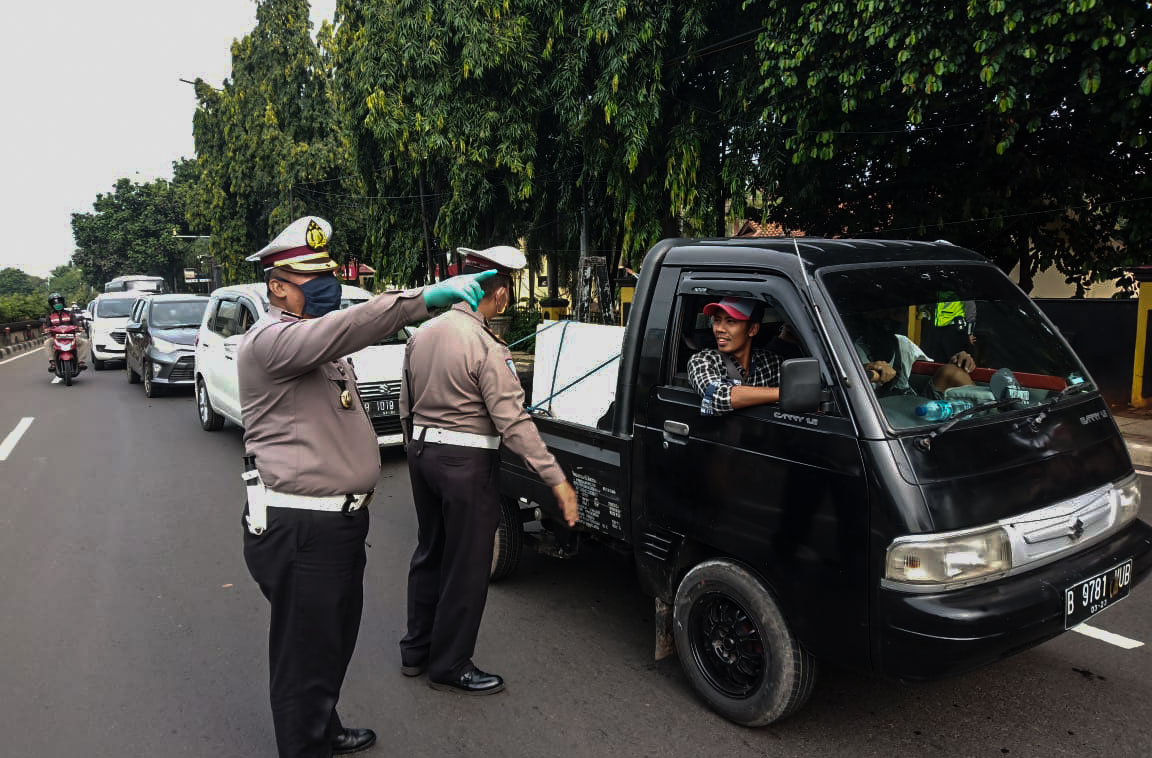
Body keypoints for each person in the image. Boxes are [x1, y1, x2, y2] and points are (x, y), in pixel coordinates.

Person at [237, 216, 495, 758]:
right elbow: (348, 326)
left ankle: (322, 727)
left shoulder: (314, 345)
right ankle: (305, 746)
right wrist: (423, 298)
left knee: (330, 642)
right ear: (277, 287)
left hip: (334, 523)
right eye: (312, 277)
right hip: (300, 526)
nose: (326, 285)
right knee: (304, 654)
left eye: (328, 274)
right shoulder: (271, 341)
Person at [399, 244, 579, 695]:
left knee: (430, 552)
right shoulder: (485, 346)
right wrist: (555, 478)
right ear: (498, 293)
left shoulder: (423, 333)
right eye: (508, 291)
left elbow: (405, 405)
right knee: (467, 565)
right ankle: (450, 664)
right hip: (466, 466)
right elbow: (513, 423)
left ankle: (416, 651)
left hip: (422, 455)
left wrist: (416, 451)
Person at [848, 306, 974, 397]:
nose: (890, 317)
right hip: (876, 415)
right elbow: (844, 381)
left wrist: (957, 361)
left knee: (952, 372)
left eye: (898, 311)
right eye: (883, 311)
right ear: (868, 314)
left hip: (910, 406)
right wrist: (864, 369)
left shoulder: (903, 344)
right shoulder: (851, 352)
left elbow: (929, 368)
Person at [687, 297, 782, 415]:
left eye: (730, 321)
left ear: (752, 329)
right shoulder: (702, 361)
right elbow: (718, 397)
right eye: (716, 320)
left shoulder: (771, 362)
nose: (719, 329)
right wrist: (784, 394)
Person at [42, 292, 89, 372]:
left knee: (84, 342)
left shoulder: (69, 313)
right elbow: (47, 326)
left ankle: (81, 362)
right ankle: (52, 362)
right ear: (51, 304)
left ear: (62, 302)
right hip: (56, 338)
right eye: (55, 303)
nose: (57, 304)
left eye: (59, 302)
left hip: (71, 337)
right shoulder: (49, 316)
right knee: (47, 342)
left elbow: (76, 322)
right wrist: (46, 329)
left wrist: (79, 327)